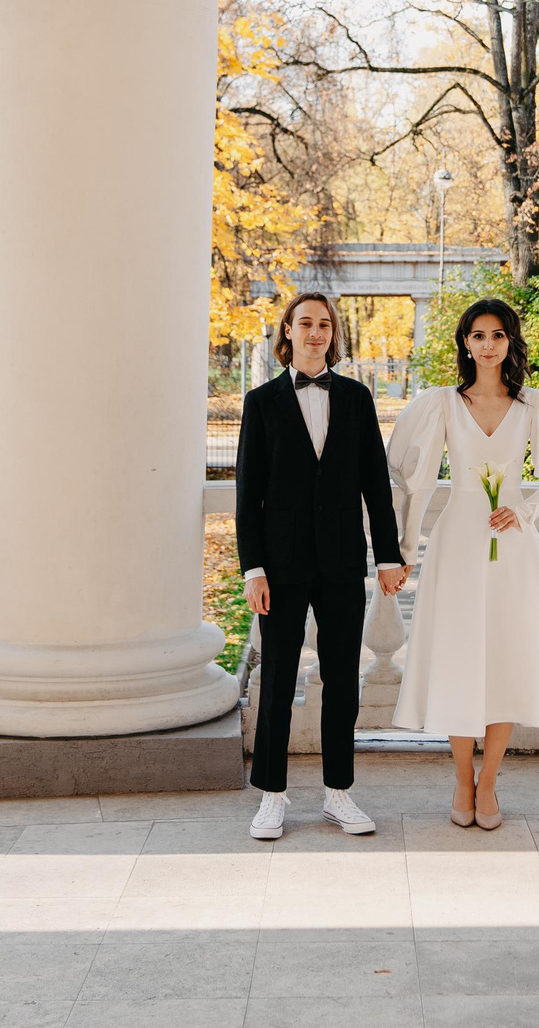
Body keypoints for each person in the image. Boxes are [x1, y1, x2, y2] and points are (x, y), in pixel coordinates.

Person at [388, 298, 539, 829]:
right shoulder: (441, 405)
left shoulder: (532, 407)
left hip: (513, 548)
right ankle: (461, 780)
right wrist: (405, 550)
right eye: (478, 335)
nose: (488, 344)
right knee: (460, 660)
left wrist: (526, 509)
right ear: (465, 342)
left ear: (510, 342)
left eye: (498, 335)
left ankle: (489, 786)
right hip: (459, 540)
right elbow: (414, 483)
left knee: (505, 659)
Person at [234, 290, 409, 841]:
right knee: (279, 681)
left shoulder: (357, 399)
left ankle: (338, 793)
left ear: (333, 334)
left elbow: (376, 487)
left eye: (325, 325)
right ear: (287, 332)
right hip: (280, 567)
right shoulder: (260, 403)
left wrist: (387, 555)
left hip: (340, 561)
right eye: (305, 323)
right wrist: (252, 569)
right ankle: (272, 795)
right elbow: (247, 495)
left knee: (342, 681)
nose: (315, 333)